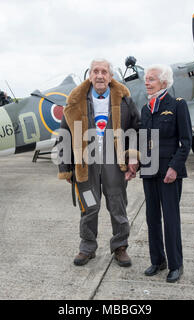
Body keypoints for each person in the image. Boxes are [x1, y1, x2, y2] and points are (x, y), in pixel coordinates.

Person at [57, 59, 141, 267]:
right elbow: (64, 135)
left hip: (115, 162)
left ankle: (120, 246)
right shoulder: (76, 101)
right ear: (90, 75)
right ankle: (87, 247)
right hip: (86, 165)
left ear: (111, 76)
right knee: (88, 206)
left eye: (104, 71)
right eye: (96, 71)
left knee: (117, 205)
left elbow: (136, 129)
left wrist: (132, 157)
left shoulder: (124, 100)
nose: (100, 75)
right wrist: (66, 168)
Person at [139, 64, 192, 283]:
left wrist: (174, 168)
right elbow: (143, 141)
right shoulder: (146, 108)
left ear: (163, 82)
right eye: (146, 79)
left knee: (171, 219)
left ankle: (175, 265)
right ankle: (157, 260)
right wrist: (135, 164)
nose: (147, 82)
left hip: (169, 172)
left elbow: (186, 141)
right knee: (152, 218)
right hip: (149, 170)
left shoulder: (177, 105)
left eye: (151, 79)